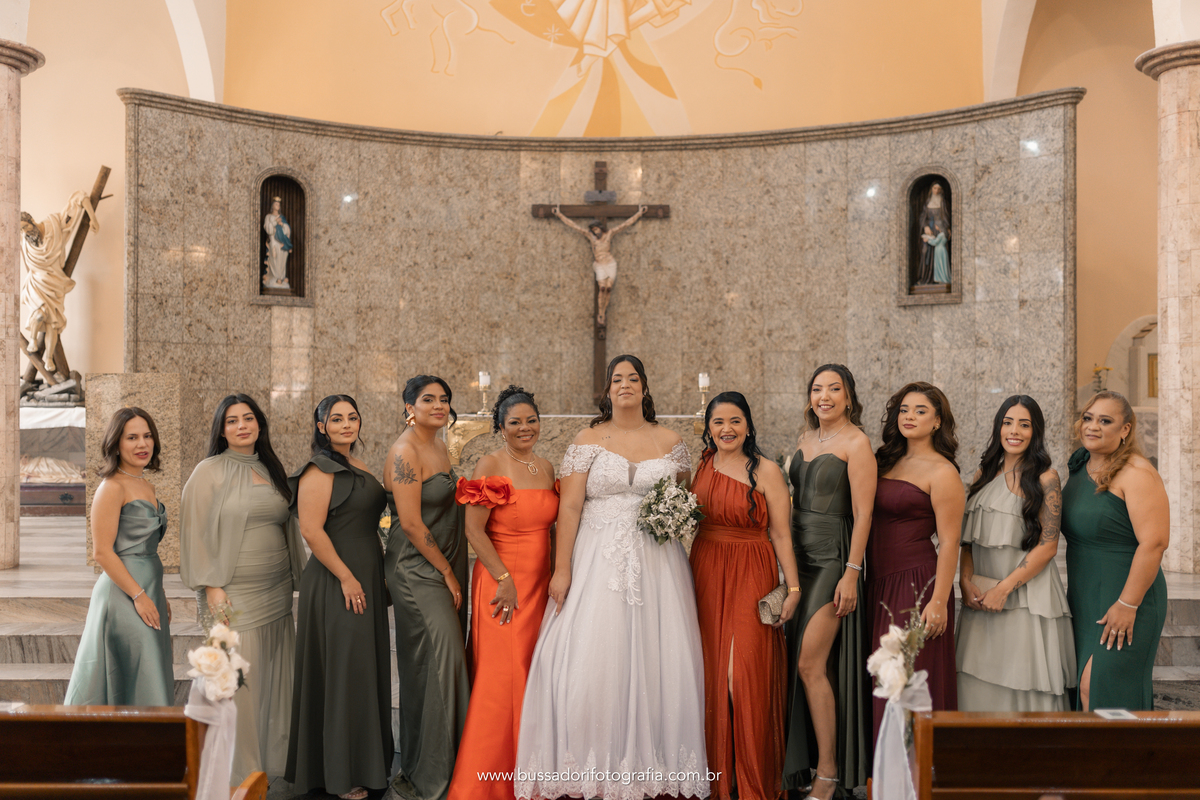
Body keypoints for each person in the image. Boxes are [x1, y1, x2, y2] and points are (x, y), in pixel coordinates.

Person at [515, 355, 709, 800]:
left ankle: (652, 763)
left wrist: (671, 516)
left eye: (633, 378)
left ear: (644, 387)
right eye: (617, 379)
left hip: (659, 564)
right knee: (589, 658)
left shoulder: (671, 441)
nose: (625, 384)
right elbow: (569, 507)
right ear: (607, 390)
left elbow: (683, 494)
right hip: (597, 559)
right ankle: (591, 762)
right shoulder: (587, 439)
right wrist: (562, 568)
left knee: (660, 656)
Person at [180, 394, 306, 781]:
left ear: (259, 424)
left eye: (248, 418)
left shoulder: (270, 468)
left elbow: (287, 524)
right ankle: (235, 771)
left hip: (276, 590)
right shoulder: (208, 471)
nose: (241, 426)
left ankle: (269, 764)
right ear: (221, 430)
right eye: (232, 421)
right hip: (233, 592)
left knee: (271, 676)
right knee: (239, 682)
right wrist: (211, 585)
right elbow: (195, 530)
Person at [447, 386, 558, 800]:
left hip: (540, 585)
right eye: (515, 422)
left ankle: (530, 774)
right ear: (500, 426)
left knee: (530, 675)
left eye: (531, 420)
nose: (525, 428)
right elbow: (474, 530)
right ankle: (488, 783)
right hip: (502, 583)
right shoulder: (490, 464)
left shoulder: (546, 467)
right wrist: (504, 578)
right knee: (501, 680)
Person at [690, 391, 800, 800]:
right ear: (709, 428)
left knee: (742, 677)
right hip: (705, 568)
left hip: (751, 568)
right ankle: (720, 780)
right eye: (718, 422)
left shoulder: (767, 471)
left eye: (735, 421)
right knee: (712, 673)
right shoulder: (703, 464)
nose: (727, 429)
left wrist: (793, 587)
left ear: (748, 426)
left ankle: (754, 780)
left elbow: (781, 533)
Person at [285, 395, 392, 800]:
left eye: (352, 417)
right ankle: (339, 774)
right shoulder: (319, 468)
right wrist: (347, 577)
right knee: (344, 673)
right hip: (337, 580)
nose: (346, 424)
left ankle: (365, 764)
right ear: (321, 427)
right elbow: (311, 530)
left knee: (361, 670)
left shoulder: (359, 464)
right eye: (336, 419)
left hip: (365, 574)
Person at [784, 365, 876, 798]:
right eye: (817, 388)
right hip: (798, 559)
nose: (824, 396)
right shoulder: (805, 439)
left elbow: (864, 513)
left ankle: (828, 771)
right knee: (801, 665)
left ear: (848, 397)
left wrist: (851, 573)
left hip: (831, 560)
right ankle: (807, 765)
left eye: (834, 389)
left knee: (810, 664)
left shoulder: (857, 443)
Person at [956, 396, 1075, 711]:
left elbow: (1048, 546)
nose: (1014, 431)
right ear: (998, 427)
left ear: (1036, 431)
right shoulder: (983, 475)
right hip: (981, 596)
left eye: (1024, 425)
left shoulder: (1046, 478)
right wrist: (965, 581)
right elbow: (967, 542)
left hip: (1025, 598)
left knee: (1023, 682)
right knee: (976, 681)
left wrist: (1004, 589)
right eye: (1008, 423)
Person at [385, 376, 469, 800]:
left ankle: (449, 764)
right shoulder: (405, 450)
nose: (439, 405)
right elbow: (411, 524)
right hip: (416, 570)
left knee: (431, 667)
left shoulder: (438, 444)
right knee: (443, 660)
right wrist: (448, 573)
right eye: (428, 399)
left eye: (444, 399)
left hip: (442, 562)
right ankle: (435, 775)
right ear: (409, 407)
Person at [866, 382, 963, 740]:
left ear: (937, 421)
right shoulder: (885, 460)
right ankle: (886, 767)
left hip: (916, 586)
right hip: (878, 582)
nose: (909, 416)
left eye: (920, 411)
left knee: (908, 680)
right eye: (904, 410)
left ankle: (916, 768)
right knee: (882, 680)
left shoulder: (943, 472)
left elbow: (950, 542)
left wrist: (938, 600)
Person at [1062, 391, 1168, 711]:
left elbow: (1155, 543)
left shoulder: (1137, 473)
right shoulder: (1081, 465)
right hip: (1083, 595)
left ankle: (1127, 747)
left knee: (1099, 687)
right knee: (1083, 689)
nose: (1092, 426)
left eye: (1105, 421)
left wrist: (1127, 604)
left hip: (1127, 595)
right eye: (1088, 418)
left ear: (1125, 429)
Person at [64, 407, 173, 706]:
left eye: (147, 436)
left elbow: (146, 549)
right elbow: (102, 551)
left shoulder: (146, 484)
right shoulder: (111, 487)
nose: (142, 444)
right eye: (132, 437)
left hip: (148, 589)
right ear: (116, 443)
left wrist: (158, 594)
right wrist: (139, 595)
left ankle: (145, 736)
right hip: (123, 595)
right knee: (137, 671)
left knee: (149, 668)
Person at [551, 205, 648, 326]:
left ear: (601, 228)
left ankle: (603, 312)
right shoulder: (591, 237)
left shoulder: (609, 234)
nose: (595, 232)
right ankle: (600, 314)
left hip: (610, 263)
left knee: (608, 289)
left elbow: (625, 225)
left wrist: (639, 213)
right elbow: (574, 226)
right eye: (593, 230)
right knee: (602, 288)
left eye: (596, 229)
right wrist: (559, 214)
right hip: (600, 265)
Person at [262, 196, 292, 289]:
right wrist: (275, 222)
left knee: (282, 258)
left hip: (282, 242)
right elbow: (269, 229)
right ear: (272, 206)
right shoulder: (268, 217)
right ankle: (275, 277)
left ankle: (281, 278)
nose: (277, 206)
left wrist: (281, 224)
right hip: (274, 241)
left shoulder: (282, 217)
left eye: (278, 205)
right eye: (276, 204)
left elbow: (287, 230)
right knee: (274, 257)